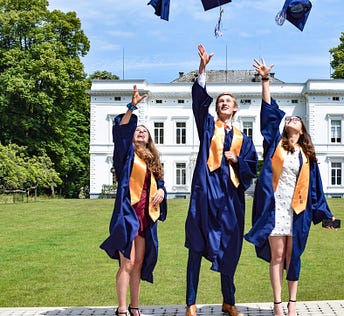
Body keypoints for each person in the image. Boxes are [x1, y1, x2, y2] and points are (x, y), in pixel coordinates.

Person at [244, 58, 336, 316]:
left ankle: (292, 303)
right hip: (275, 209)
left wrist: (326, 215)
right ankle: (276, 303)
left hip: (299, 210)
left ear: (302, 128)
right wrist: (265, 80)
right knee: (277, 256)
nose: (292, 118)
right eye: (290, 118)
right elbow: (267, 113)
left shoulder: (307, 155)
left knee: (293, 257)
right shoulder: (275, 143)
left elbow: (315, 188)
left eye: (297, 118)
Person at [184, 44, 258, 316]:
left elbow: (252, 167)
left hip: (230, 201)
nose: (223, 103)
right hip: (204, 196)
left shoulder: (243, 140)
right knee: (195, 247)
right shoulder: (208, 127)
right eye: (220, 101)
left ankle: (229, 302)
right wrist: (202, 68)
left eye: (228, 101)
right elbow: (198, 102)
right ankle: (191, 302)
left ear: (236, 108)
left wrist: (237, 160)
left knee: (229, 251)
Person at [100, 85, 168, 316]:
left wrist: (163, 193)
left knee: (138, 264)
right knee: (126, 264)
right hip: (127, 215)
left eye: (144, 131)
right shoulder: (125, 155)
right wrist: (132, 107)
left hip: (146, 218)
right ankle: (121, 308)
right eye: (137, 130)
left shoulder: (153, 162)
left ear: (149, 138)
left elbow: (160, 185)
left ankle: (135, 307)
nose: (140, 132)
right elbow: (121, 130)